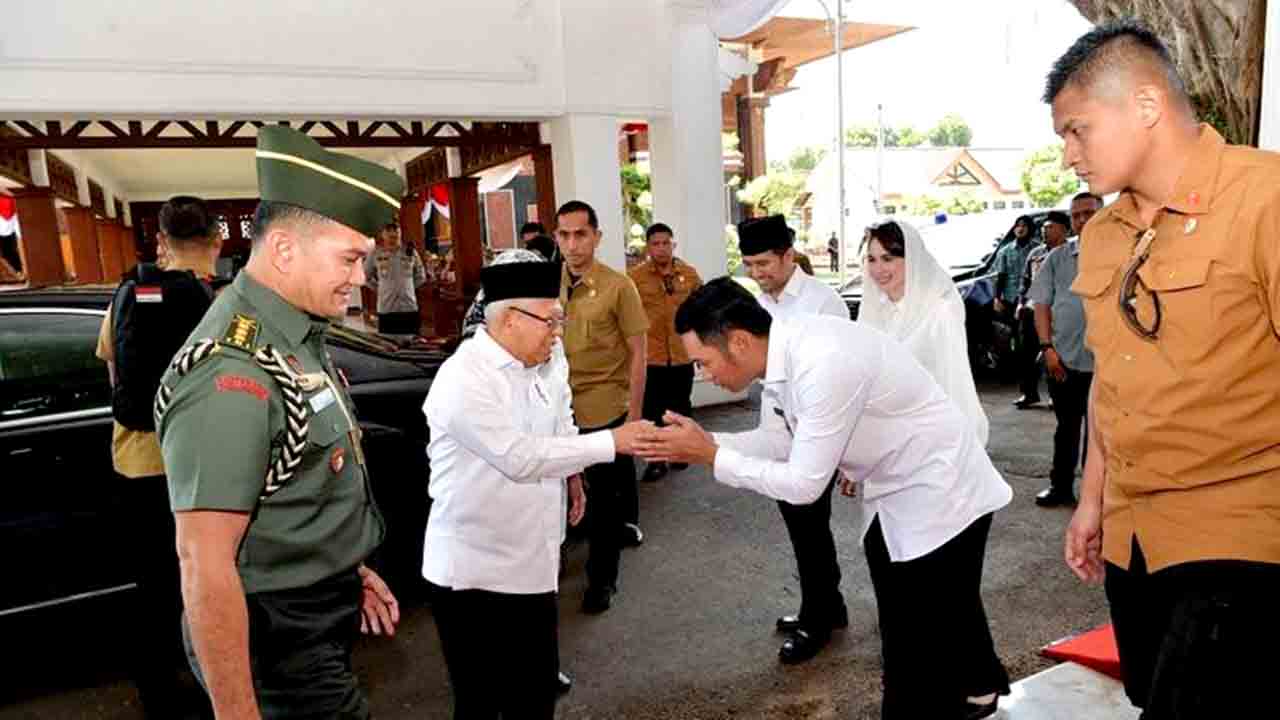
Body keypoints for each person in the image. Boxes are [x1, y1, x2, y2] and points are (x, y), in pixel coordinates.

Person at [636, 278, 1012, 719]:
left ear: (737, 342)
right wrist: (705, 442)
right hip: (896, 487)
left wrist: (711, 456)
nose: (704, 375)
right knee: (940, 604)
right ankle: (981, 684)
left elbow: (803, 484)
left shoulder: (820, 359)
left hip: (942, 488)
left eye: (703, 361)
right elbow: (778, 442)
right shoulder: (779, 358)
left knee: (913, 640)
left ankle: (940, 700)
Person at [1048, 21, 1280, 718]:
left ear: (1145, 106)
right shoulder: (1103, 234)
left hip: (1239, 531)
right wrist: (1091, 502)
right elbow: (1112, 387)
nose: (1067, 156)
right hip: (1136, 539)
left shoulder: (1264, 199)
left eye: (1077, 130)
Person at [155, 127, 401, 719]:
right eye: (350, 259)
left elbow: (293, 482)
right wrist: (237, 712)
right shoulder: (230, 374)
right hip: (274, 639)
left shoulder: (293, 332)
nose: (360, 278)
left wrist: (344, 568)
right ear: (285, 249)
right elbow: (205, 564)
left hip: (310, 610)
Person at [423, 258, 652, 719]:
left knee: (534, 698)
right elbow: (519, 457)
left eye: (560, 319)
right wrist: (612, 441)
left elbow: (560, 421)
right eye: (551, 320)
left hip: (534, 562)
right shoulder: (465, 377)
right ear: (509, 319)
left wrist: (572, 474)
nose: (558, 331)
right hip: (475, 573)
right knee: (482, 704)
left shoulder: (545, 360)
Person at [95, 195, 221, 718]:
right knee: (205, 574)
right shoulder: (216, 303)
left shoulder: (126, 294)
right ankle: (212, 675)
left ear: (162, 242)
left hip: (139, 461)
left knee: (154, 580)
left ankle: (157, 687)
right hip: (197, 464)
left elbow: (115, 376)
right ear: (215, 241)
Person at [738, 214, 849, 664]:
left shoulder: (824, 302)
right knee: (803, 526)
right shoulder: (761, 305)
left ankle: (817, 620)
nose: (757, 273)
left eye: (764, 263)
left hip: (816, 433)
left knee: (809, 526)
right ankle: (829, 605)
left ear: (788, 255)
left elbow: (842, 376)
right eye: (749, 265)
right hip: (777, 431)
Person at [554, 199, 650, 614]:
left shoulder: (618, 287)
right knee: (556, 493)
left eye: (581, 234)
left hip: (605, 408)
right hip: (556, 409)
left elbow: (639, 353)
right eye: (564, 235)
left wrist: (633, 419)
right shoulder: (545, 284)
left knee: (606, 504)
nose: (572, 244)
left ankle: (602, 579)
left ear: (597, 237)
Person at [857, 218, 989, 446]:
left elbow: (954, 385)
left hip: (928, 442)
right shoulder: (874, 309)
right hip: (880, 443)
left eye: (888, 259)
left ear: (912, 260)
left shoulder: (939, 311)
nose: (878, 269)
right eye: (872, 259)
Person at [1029, 204, 1098, 508]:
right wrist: (1047, 348)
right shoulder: (1057, 259)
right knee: (1066, 428)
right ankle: (1060, 487)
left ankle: (1095, 496)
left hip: (1107, 365)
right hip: (1064, 360)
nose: (1083, 219)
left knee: (1101, 435)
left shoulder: (1124, 253)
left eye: (1090, 212)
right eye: (1077, 215)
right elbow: (1041, 304)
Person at [629, 222, 704, 483]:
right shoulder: (635, 278)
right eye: (655, 243)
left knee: (681, 406)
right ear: (648, 247)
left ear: (673, 244)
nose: (661, 248)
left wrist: (702, 349)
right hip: (651, 357)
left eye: (665, 243)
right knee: (652, 411)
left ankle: (680, 451)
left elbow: (700, 311)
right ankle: (656, 460)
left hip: (682, 355)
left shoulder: (689, 274)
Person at [992, 214, 1043, 408]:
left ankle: (1049, 392)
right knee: (1023, 349)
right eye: (1017, 225)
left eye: (1024, 226)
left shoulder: (1038, 249)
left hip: (1038, 302)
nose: (1020, 229)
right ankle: (1028, 392)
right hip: (1014, 302)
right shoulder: (1006, 251)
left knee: (1043, 346)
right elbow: (1000, 276)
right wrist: (998, 298)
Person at [361, 220, 426, 335]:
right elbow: (364, 276)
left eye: (395, 229)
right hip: (387, 308)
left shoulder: (410, 252)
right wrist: (380, 288)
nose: (393, 233)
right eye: (388, 230)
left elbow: (421, 276)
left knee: (411, 343)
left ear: (400, 232)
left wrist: (408, 288)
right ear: (382, 234)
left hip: (409, 307)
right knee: (388, 344)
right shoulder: (376, 253)